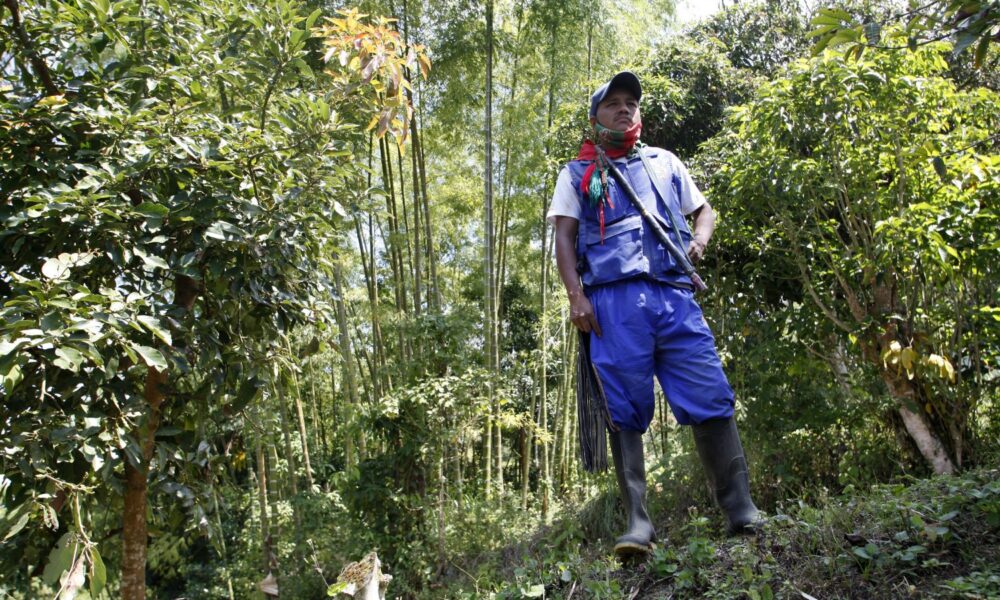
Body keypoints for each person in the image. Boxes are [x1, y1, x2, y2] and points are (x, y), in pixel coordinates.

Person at [548, 71, 760, 558]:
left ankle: (741, 511)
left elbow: (702, 211)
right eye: (613, 103)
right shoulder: (576, 173)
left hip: (674, 296)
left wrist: (698, 241)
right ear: (596, 115)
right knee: (624, 408)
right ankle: (638, 524)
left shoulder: (665, 163)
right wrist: (575, 296)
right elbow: (562, 238)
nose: (625, 109)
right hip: (613, 304)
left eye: (631, 103)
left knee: (710, 393)